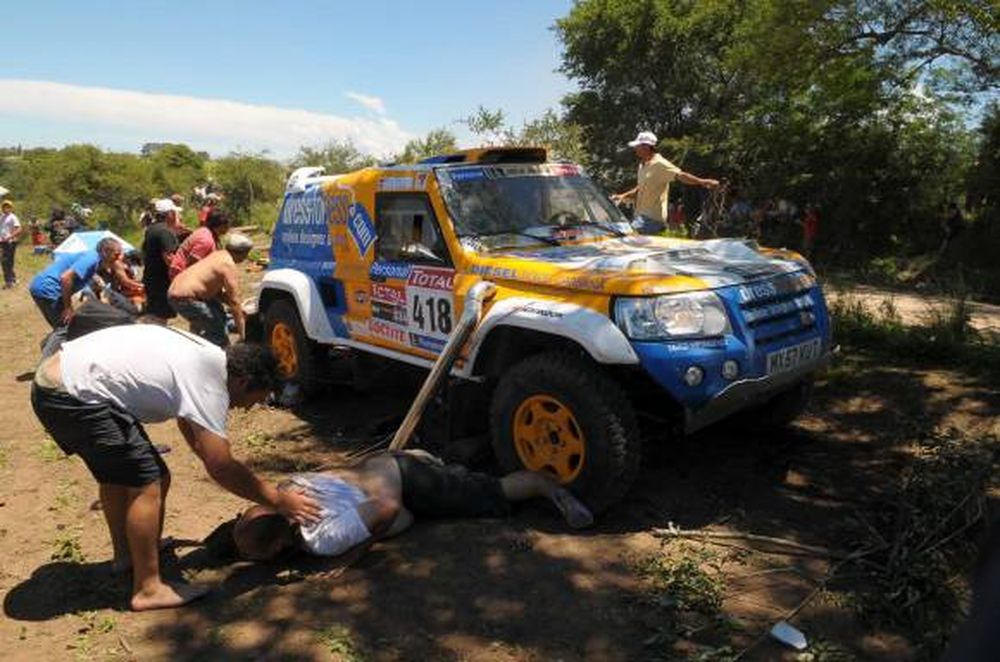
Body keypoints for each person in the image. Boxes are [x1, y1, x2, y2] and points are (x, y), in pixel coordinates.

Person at [30, 327, 321, 610]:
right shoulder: (210, 383)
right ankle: (148, 589)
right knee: (149, 481)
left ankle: (128, 556)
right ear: (244, 382)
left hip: (59, 382)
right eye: (254, 400)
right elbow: (222, 465)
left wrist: (204, 454)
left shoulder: (211, 356)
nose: (247, 408)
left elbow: (186, 419)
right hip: (75, 394)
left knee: (121, 476)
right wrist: (279, 500)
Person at [232, 449, 593, 562]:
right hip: (385, 465)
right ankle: (435, 458)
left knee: (495, 492)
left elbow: (387, 508)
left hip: (404, 483)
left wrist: (355, 555)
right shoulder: (286, 490)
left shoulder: (320, 540)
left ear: (278, 546)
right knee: (461, 478)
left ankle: (545, 486)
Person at [611, 131, 719, 235]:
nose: (635, 149)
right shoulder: (642, 166)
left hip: (652, 219)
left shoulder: (660, 164)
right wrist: (622, 196)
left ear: (647, 147)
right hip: (640, 217)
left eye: (637, 146)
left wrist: (702, 181)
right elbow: (640, 188)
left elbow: (681, 175)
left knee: (626, 238)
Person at [168, 233, 253, 346]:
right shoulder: (228, 265)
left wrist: (239, 309)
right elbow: (234, 301)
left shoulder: (217, 255)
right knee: (218, 332)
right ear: (243, 253)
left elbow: (216, 292)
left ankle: (196, 344)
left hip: (177, 292)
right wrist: (243, 335)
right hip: (186, 298)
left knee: (218, 314)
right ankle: (220, 356)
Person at [29, 237, 124, 329]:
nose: (119, 258)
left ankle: (53, 343)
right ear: (105, 252)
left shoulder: (95, 259)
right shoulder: (92, 258)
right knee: (65, 328)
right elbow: (65, 277)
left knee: (64, 326)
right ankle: (51, 345)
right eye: (116, 254)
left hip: (43, 288)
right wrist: (68, 307)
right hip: (48, 288)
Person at [141, 199, 183, 321]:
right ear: (169, 214)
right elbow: (169, 258)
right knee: (160, 317)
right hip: (161, 282)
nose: (176, 215)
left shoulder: (151, 228)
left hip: (152, 278)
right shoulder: (165, 231)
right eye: (175, 213)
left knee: (156, 314)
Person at [169, 209, 230, 279]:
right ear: (221, 225)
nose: (229, 227)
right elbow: (192, 264)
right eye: (227, 224)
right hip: (182, 275)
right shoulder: (206, 240)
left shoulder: (206, 231)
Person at [0, 199, 23, 288]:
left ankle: (9, 281)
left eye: (8, 206)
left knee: (5, 261)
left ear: (11, 208)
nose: (6, 208)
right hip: (2, 242)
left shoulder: (13, 217)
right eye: (4, 206)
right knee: (8, 261)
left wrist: (10, 237)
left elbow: (19, 229)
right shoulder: (1, 217)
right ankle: (12, 279)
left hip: (10, 242)